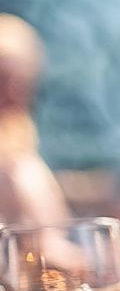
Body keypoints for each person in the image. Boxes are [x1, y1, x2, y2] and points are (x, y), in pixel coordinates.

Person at [0, 15, 72, 227]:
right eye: (3, 78)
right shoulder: (16, 170)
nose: (13, 91)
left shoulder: (18, 141)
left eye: (22, 80)